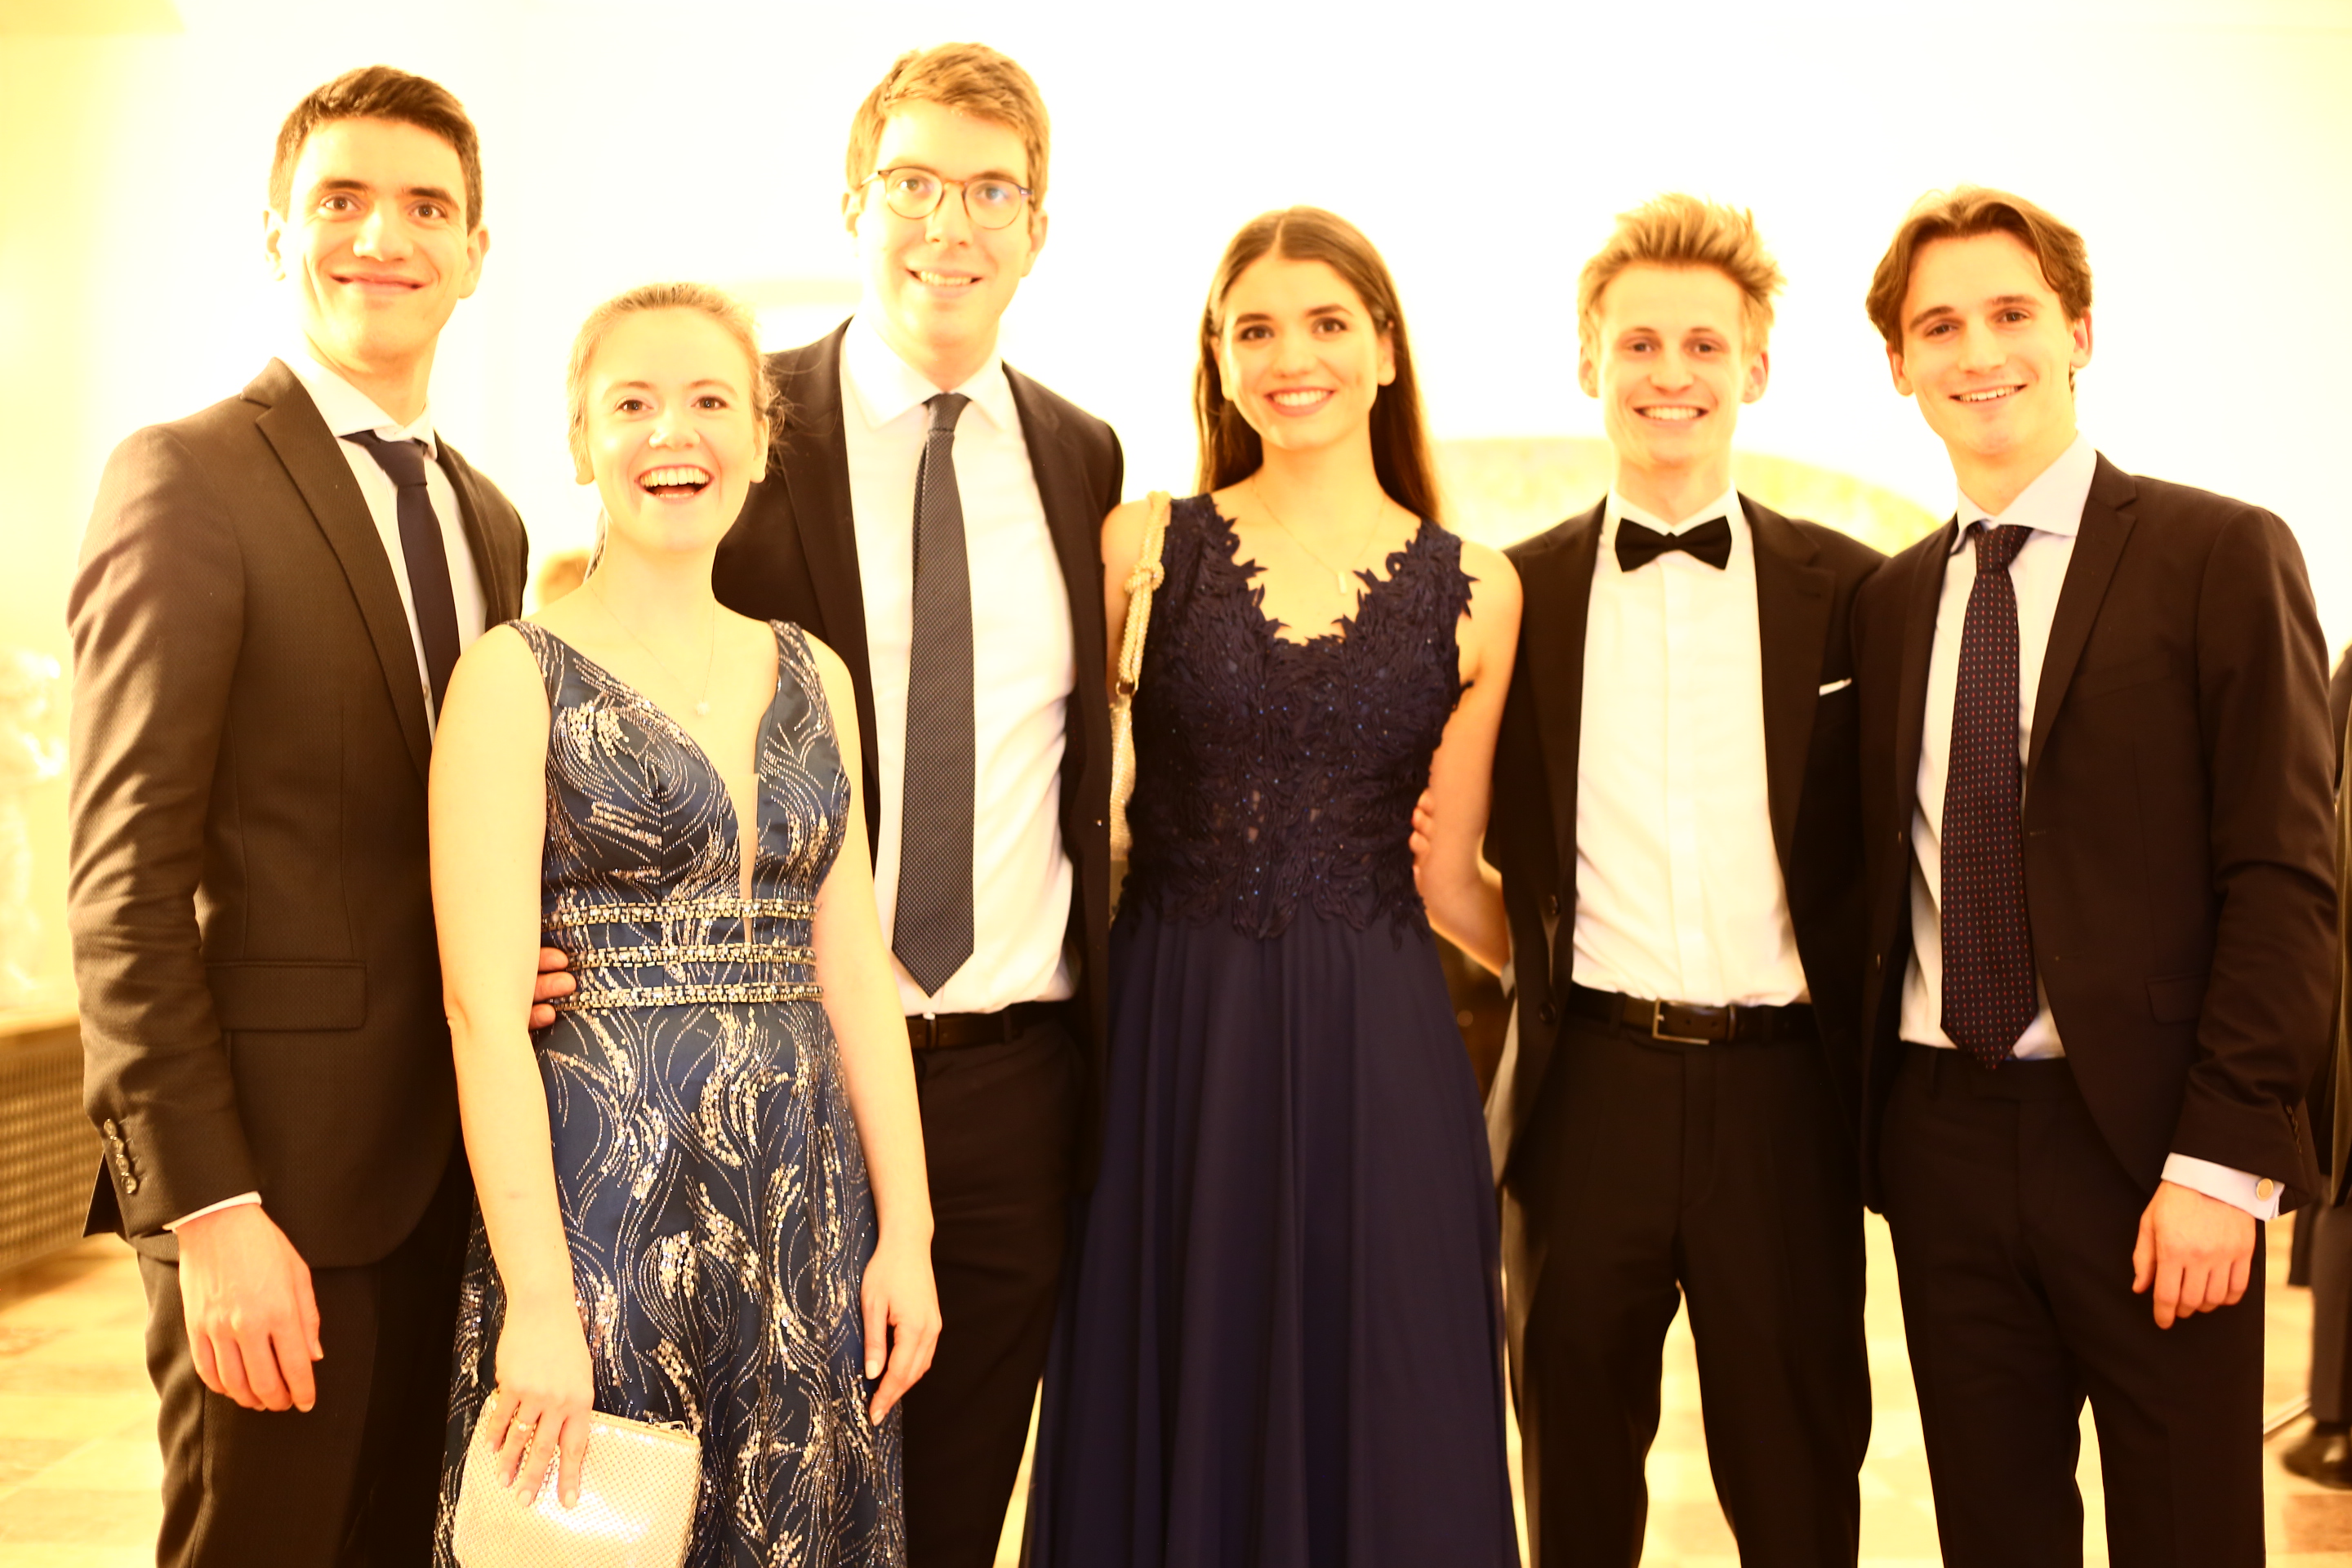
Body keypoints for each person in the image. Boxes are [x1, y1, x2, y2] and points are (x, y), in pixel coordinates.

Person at [65, 66, 564, 1565]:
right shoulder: (186, 478)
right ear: (277, 233)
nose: (382, 237)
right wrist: (209, 1210)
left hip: (455, 1190)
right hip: (269, 1196)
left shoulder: (491, 518)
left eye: (426, 207)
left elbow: (447, 842)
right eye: (340, 200)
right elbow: (122, 887)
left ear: (476, 252)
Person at [1024, 206, 1523, 1566]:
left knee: (1390, 1401)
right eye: (1255, 329)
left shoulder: (1482, 589)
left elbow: (1451, 874)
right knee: (1174, 1376)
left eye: (1326, 323)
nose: (1291, 356)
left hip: (1382, 1055)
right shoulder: (1141, 546)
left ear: (1384, 349)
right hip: (1173, 1041)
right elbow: (1049, 794)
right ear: (1218, 358)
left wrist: (1573, 989)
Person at [1851, 187, 2336, 1565]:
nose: (1978, 351)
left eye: (2011, 313)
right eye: (1938, 326)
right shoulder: (1889, 605)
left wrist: (2224, 1163)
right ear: (1899, 364)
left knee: (2187, 1538)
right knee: (1993, 1538)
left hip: (2151, 1146)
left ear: (2077, 332)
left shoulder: (2219, 553)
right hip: (1944, 1141)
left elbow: (2285, 877)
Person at [430, 282, 940, 1563]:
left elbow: (855, 973)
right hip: (602, 1212)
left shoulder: (816, 671)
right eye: (633, 404)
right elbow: (482, 1013)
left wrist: (909, 1233)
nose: (676, 432)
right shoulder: (512, 675)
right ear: (581, 442)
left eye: (712, 401)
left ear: (761, 441)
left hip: (806, 1212)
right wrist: (540, 1301)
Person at [1413, 195, 1882, 1566]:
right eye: (1638, 344)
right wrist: (1556, 976)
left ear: (1756, 368)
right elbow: (1444, 864)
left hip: (1787, 1106)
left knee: (1798, 1490)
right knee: (1573, 1488)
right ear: (1588, 362)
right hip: (1588, 1097)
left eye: (1703, 345)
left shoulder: (1857, 594)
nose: (1670, 374)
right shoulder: (1514, 596)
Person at [705, 44, 1120, 1565]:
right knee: (758, 1507)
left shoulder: (1082, 456)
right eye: (915, 184)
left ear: (1038, 227)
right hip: (784, 1065)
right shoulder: (740, 430)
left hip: (1012, 1084)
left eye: (992, 191)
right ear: (853, 204)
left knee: (950, 1516)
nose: (952, 223)